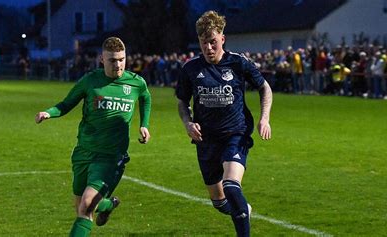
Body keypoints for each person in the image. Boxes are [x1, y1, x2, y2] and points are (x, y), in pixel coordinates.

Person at [35, 37, 151, 237]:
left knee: (87, 205)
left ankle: (101, 204)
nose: (118, 65)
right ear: (101, 59)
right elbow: (66, 104)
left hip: (111, 157)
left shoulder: (135, 82)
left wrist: (144, 125)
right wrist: (49, 113)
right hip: (84, 152)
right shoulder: (90, 81)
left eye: (122, 59)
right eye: (113, 60)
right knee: (81, 205)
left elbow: (146, 98)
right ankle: (107, 205)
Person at [176, 11, 272, 237]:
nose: (208, 48)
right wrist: (187, 123)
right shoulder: (190, 68)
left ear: (222, 39)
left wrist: (264, 118)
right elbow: (182, 101)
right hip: (206, 140)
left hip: (235, 135)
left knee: (231, 185)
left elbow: (264, 87)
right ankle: (242, 210)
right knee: (220, 203)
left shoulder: (238, 63)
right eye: (203, 43)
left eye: (213, 42)